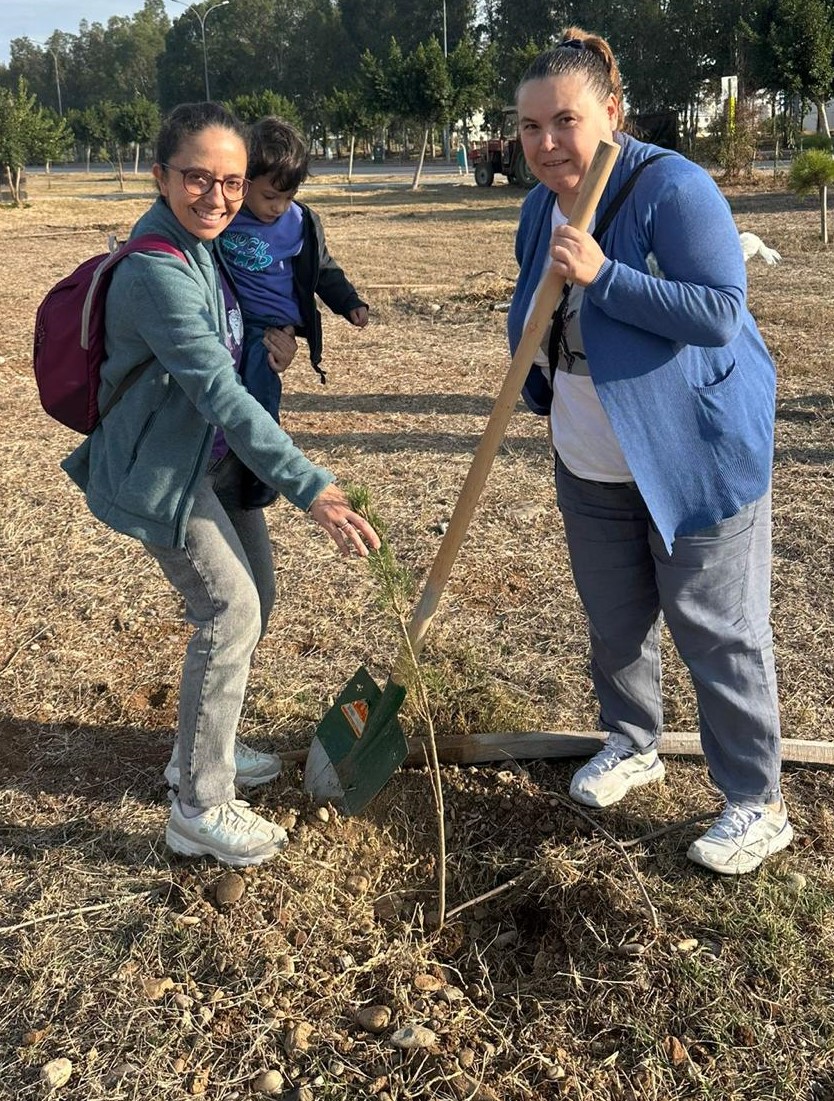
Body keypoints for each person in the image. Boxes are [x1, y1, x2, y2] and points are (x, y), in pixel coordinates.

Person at [61, 102, 380, 868]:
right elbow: (218, 393)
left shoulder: (210, 245)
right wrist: (313, 488)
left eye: (232, 181)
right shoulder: (155, 271)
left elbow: (256, 316)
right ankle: (199, 805)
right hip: (163, 469)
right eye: (197, 177)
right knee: (228, 609)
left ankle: (200, 748)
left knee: (257, 598)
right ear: (160, 175)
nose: (217, 195)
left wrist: (286, 334)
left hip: (211, 461)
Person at [509, 29, 792, 875]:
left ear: (614, 113)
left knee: (719, 632)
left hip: (691, 453)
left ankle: (756, 800)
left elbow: (716, 310)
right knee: (616, 618)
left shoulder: (673, 186)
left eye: (566, 120)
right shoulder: (535, 207)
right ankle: (633, 741)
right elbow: (535, 312)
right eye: (529, 127)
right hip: (591, 458)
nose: (548, 143)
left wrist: (606, 274)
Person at [217, 116, 368, 458]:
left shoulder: (300, 223)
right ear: (244, 181)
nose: (279, 207)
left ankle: (262, 462)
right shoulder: (223, 215)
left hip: (269, 329)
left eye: (289, 196)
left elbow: (323, 269)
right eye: (270, 196)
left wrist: (348, 302)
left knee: (260, 391)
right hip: (230, 320)